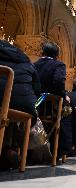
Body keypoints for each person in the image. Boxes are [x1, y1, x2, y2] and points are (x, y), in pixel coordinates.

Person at [0, 40, 41, 170]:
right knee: (14, 113)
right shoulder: (27, 64)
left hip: (7, 105)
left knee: (6, 110)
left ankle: (7, 148)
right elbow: (37, 91)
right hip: (22, 106)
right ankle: (13, 150)